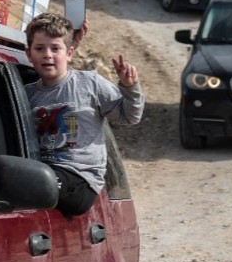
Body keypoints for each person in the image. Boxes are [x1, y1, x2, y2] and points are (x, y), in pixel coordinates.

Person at [25, 13, 144, 215]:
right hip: (43, 172)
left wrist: (129, 87)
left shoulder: (89, 83)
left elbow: (128, 116)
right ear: (29, 55)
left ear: (70, 53)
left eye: (55, 48)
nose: (48, 55)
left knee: (27, 183)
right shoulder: (26, 94)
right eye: (39, 49)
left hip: (80, 180)